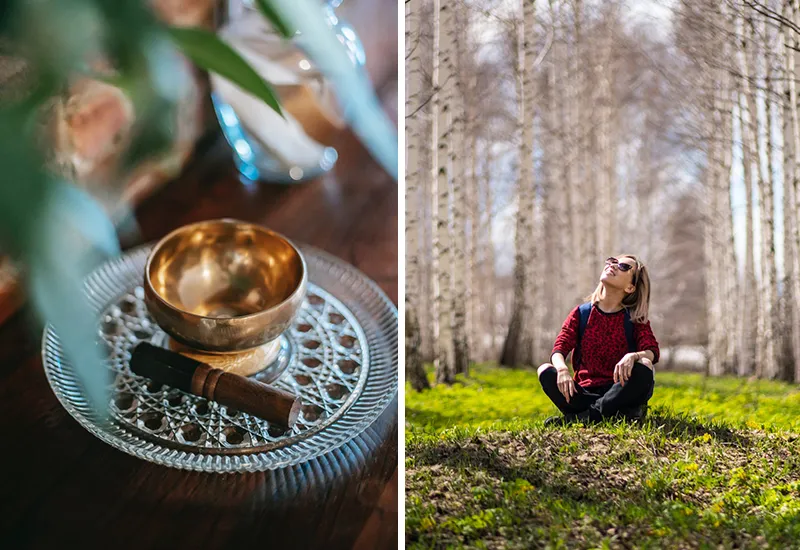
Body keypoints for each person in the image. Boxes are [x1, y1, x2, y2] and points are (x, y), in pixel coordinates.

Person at [538, 255, 659, 425]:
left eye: (624, 266)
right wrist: (562, 369)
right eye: (612, 261)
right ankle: (605, 414)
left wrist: (633, 356)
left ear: (631, 287)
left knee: (645, 365)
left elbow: (652, 351)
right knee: (545, 370)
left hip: (619, 391)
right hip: (584, 394)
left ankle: (583, 417)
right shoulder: (581, 313)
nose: (614, 266)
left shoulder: (634, 318)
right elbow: (559, 348)